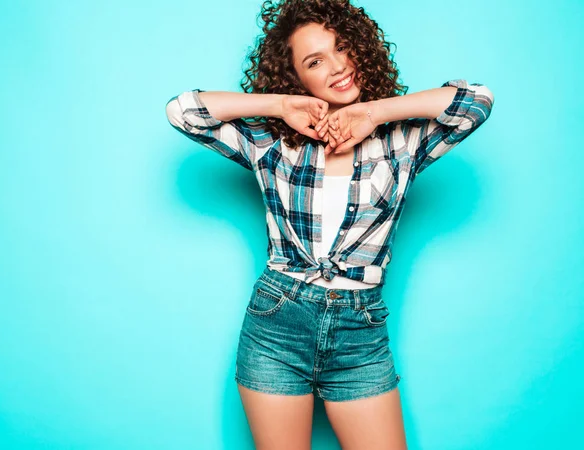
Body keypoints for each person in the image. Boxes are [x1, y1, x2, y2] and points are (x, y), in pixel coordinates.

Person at [165, 0, 494, 448]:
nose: (338, 67)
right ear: (297, 76)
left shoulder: (403, 140)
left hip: (360, 334)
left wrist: (374, 113)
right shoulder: (272, 145)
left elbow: (476, 100)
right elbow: (183, 111)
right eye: (314, 61)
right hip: (277, 325)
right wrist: (282, 105)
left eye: (343, 48)